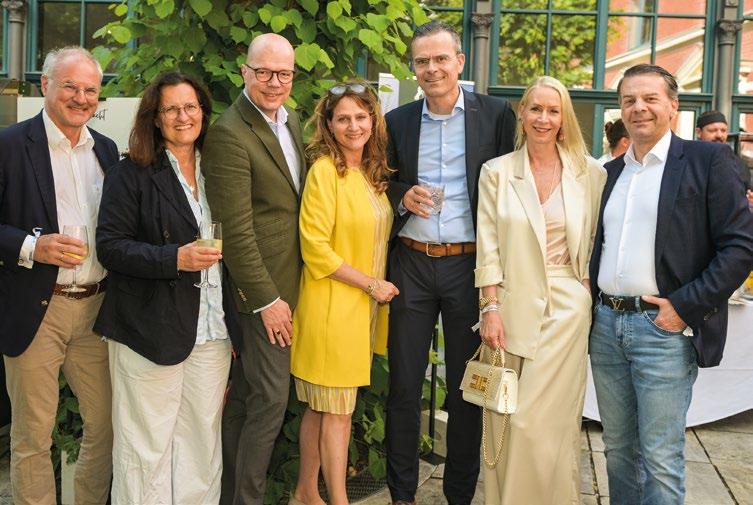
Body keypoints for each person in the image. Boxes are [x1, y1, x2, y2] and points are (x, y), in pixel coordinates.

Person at [589, 64, 753, 505]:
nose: (638, 108)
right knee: (618, 450)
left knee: (660, 457)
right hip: (606, 326)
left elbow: (740, 246)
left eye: (650, 98)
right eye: (629, 100)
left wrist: (683, 307)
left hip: (662, 330)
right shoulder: (609, 173)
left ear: (673, 106)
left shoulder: (706, 161)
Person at [384, 21, 516, 505]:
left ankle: (459, 494)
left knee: (467, 387)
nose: (432, 68)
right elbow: (379, 179)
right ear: (413, 68)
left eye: (441, 58)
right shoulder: (396, 121)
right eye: (422, 61)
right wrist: (402, 195)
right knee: (403, 385)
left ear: (459, 61)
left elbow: (511, 185)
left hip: (469, 267)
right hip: (412, 264)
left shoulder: (496, 115)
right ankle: (402, 494)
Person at [95, 71, 236, 504]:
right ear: (155, 118)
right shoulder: (130, 173)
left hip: (211, 331)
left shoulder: (219, 170)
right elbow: (111, 247)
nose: (182, 116)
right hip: (149, 328)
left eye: (190, 107)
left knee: (201, 446)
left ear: (203, 113)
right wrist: (174, 258)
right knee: (145, 448)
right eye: (171, 109)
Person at [474, 76, 606, 505]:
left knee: (542, 424)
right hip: (510, 308)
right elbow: (488, 246)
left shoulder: (590, 172)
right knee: (505, 416)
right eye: (535, 109)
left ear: (563, 119)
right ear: (522, 114)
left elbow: (595, 238)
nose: (543, 118)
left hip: (567, 312)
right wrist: (490, 307)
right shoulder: (496, 172)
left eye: (553, 110)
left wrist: (585, 286)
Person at [0, 46, 117, 505]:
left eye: (90, 90)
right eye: (70, 86)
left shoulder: (106, 149)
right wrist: (34, 246)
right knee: (33, 435)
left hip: (96, 310)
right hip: (36, 309)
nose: (81, 98)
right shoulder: (10, 144)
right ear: (46, 85)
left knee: (106, 426)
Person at [202, 33, 307, 505]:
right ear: (244, 72)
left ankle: (231, 496)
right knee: (270, 401)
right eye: (263, 71)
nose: (274, 82)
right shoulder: (229, 133)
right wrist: (266, 301)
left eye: (283, 73)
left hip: (293, 284)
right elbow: (236, 233)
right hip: (262, 295)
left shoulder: (292, 121)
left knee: (248, 400)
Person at [289, 81, 399, 505]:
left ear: (373, 120)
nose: (353, 126)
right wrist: (371, 284)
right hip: (332, 308)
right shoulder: (325, 172)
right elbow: (315, 248)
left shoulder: (370, 175)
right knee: (338, 412)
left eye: (360, 117)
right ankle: (338, 499)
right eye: (343, 119)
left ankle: (305, 492)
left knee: (322, 408)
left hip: (359, 312)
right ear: (329, 125)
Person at [695, 110, 753, 204]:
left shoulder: (738, 164)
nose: (719, 135)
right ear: (698, 132)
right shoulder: (687, 160)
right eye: (712, 130)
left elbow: (746, 195)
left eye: (723, 130)